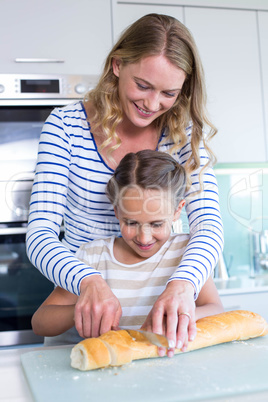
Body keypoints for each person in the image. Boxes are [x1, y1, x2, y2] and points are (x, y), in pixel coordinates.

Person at [26, 13, 223, 352]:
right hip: (84, 333)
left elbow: (209, 226)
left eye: (169, 93)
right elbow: (40, 234)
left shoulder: (185, 135)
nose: (152, 104)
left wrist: (182, 285)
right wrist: (88, 281)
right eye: (143, 86)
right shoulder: (65, 127)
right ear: (118, 65)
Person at [31, 150, 224, 355]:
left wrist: (176, 318)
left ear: (178, 210)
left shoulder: (187, 253)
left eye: (157, 224)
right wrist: (83, 310)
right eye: (131, 223)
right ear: (116, 211)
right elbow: (40, 322)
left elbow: (215, 309)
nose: (144, 237)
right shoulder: (93, 256)